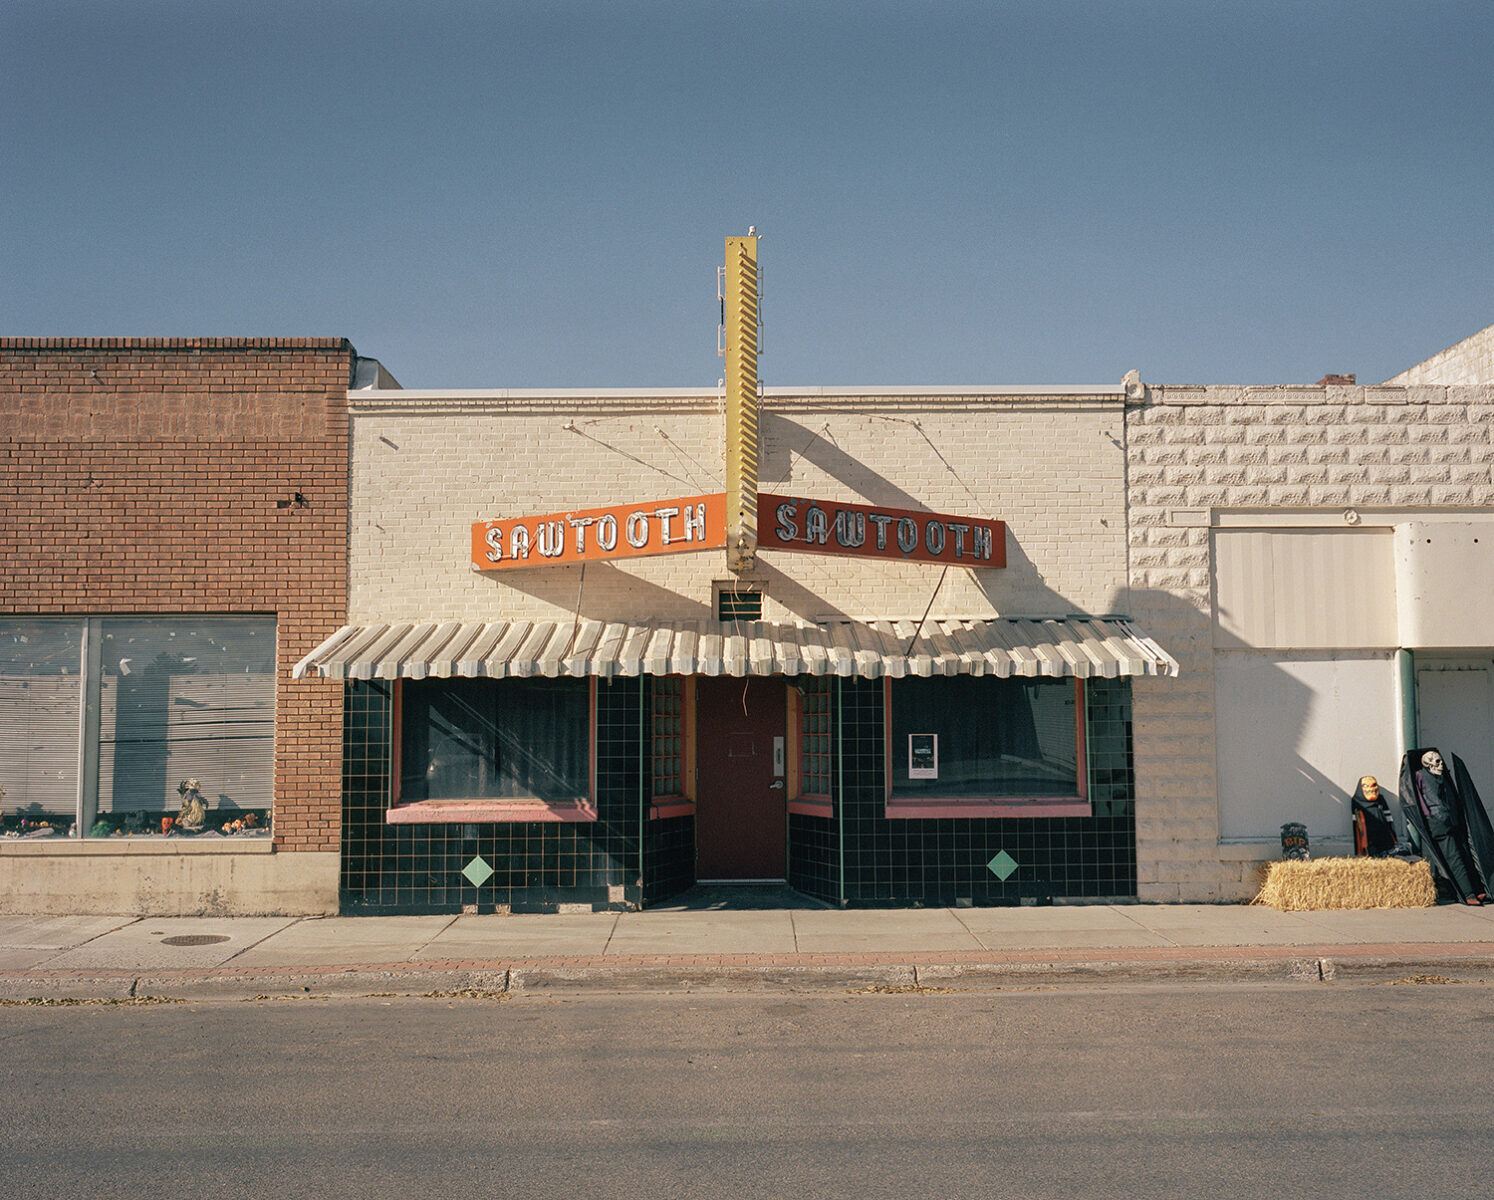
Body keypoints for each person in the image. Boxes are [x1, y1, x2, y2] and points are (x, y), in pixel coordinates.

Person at [1398, 748, 1494, 905]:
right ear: (1427, 764)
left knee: (1465, 853)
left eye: (1440, 760)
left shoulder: (1440, 777)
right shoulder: (1420, 776)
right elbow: (1419, 802)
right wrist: (1430, 817)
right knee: (1454, 857)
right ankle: (1468, 894)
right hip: (1438, 823)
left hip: (1450, 820)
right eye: (1436, 761)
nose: (1440, 764)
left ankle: (1478, 889)